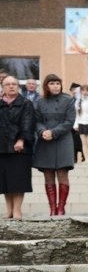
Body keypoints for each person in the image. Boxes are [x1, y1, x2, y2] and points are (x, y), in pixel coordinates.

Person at [33, 74, 77, 217]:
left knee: (62, 173)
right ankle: (52, 208)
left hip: (63, 139)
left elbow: (70, 122)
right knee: (48, 174)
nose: (55, 86)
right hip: (45, 140)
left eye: (58, 83)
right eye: (52, 83)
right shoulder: (39, 102)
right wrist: (42, 131)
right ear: (46, 85)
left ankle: (61, 207)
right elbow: (36, 120)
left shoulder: (68, 100)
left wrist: (54, 132)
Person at [0, 74, 36, 219]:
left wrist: (21, 140)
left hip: (20, 148)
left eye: (14, 84)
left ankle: (17, 210)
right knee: (5, 181)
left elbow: (28, 123)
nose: (11, 86)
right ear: (3, 87)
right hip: (1, 148)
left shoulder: (26, 103)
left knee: (18, 180)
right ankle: (8, 210)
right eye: (8, 84)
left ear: (18, 86)